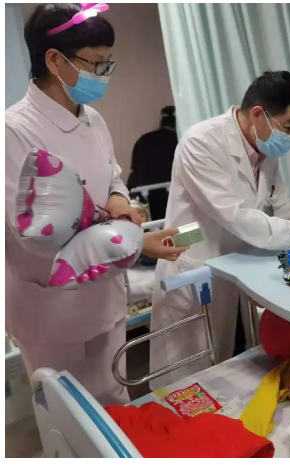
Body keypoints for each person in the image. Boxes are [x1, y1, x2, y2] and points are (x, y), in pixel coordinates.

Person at [5, 3, 187, 405]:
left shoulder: (93, 120)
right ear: (55, 60)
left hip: (104, 297)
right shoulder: (14, 131)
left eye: (108, 63)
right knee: (67, 416)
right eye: (97, 64)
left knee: (115, 402)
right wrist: (135, 242)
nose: (104, 74)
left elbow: (113, 175)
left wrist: (119, 200)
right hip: (52, 307)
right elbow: (36, 231)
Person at [150, 71, 290, 390]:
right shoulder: (201, 142)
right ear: (258, 114)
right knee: (182, 379)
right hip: (193, 263)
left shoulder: (264, 150)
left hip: (231, 264)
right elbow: (235, 215)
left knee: (221, 368)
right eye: (288, 127)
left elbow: (280, 202)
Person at [127, 106, 178, 221]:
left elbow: (134, 168)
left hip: (146, 197)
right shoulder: (177, 140)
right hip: (169, 195)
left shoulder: (144, 140)